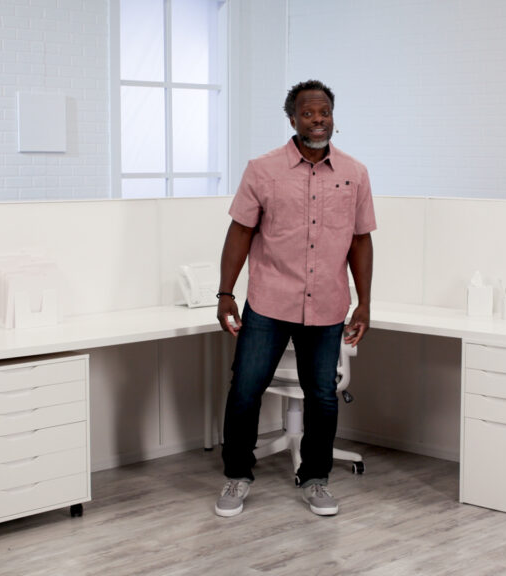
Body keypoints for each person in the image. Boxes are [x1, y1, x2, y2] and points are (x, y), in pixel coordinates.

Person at [213, 79, 376, 517]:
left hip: (327, 304)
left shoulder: (354, 173)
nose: (318, 119)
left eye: (324, 112)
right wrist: (226, 292)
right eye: (308, 113)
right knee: (246, 391)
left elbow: (361, 240)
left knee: (322, 396)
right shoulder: (262, 169)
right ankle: (237, 476)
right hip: (269, 301)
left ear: (332, 117)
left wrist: (364, 302)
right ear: (292, 119)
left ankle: (317, 479)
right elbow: (240, 232)